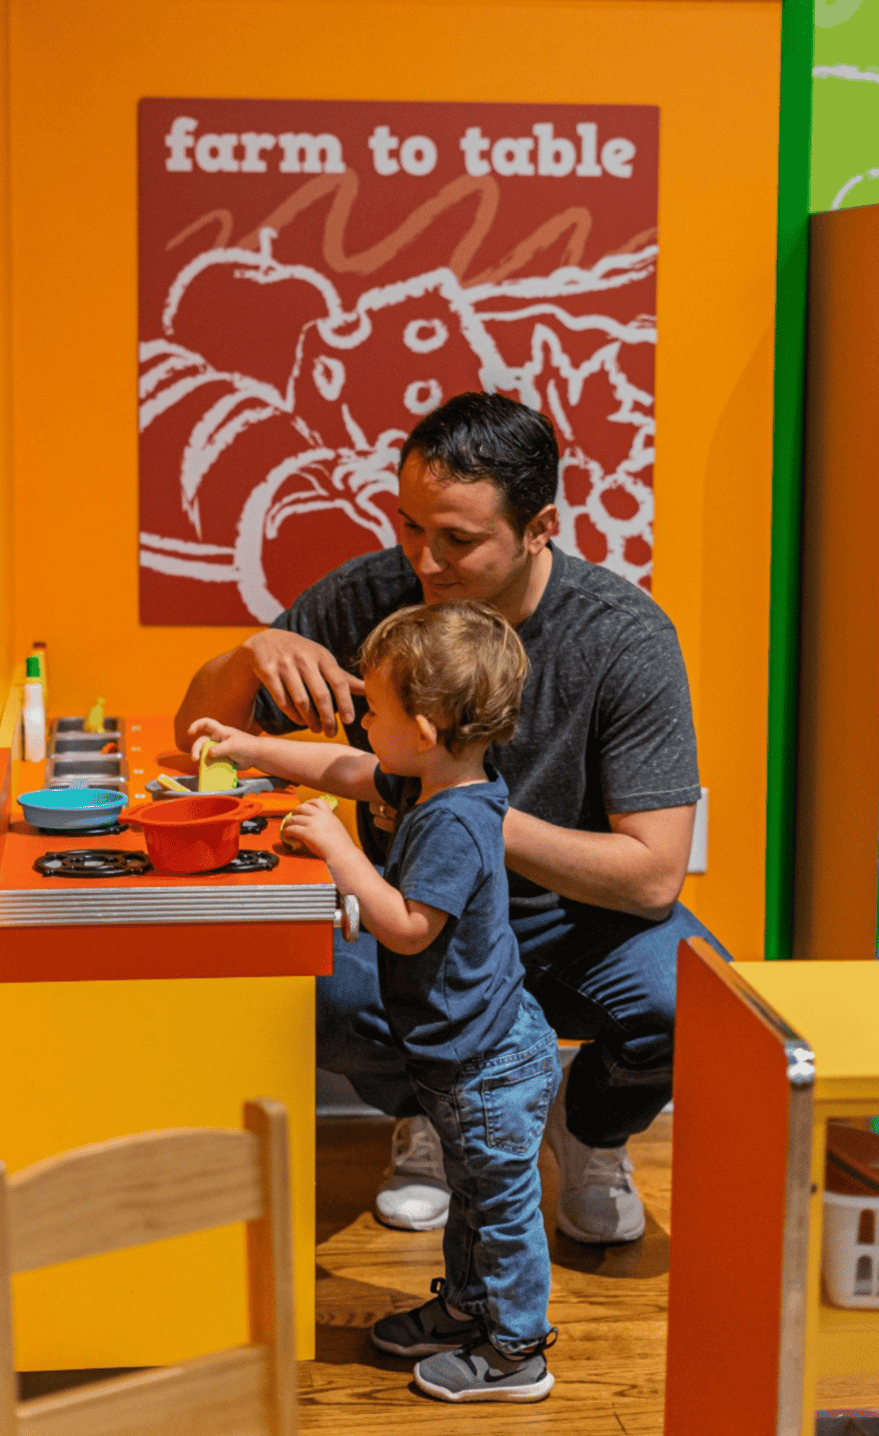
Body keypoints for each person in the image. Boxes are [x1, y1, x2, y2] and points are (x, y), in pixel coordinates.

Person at [176, 390, 730, 1245]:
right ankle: (430, 1115)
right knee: (295, 980)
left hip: (571, 930)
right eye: (409, 526)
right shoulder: (374, 599)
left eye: (459, 540)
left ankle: (589, 1132)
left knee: (696, 1000)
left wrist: (464, 809)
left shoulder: (624, 638)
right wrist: (246, 654)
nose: (424, 562)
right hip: (414, 924)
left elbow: (653, 875)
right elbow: (204, 740)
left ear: (540, 526)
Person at [188, 600, 562, 1402]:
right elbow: (344, 771)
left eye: (375, 710)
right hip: (473, 1051)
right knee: (472, 1197)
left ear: (423, 731)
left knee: (500, 1209)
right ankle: (471, 1310)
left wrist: (339, 851)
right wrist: (250, 745)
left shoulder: (455, 822)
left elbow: (405, 927)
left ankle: (516, 1353)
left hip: (488, 1065)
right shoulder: (440, 777)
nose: (361, 721)